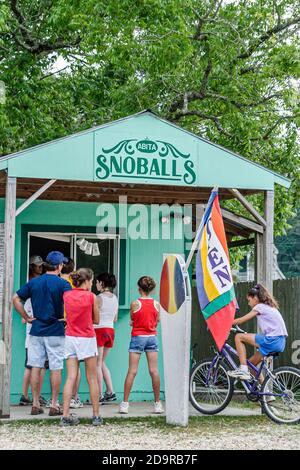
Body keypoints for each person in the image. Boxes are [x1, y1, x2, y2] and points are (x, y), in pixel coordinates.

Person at [13, 251, 72, 416]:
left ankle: (35, 403)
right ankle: (54, 405)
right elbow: (71, 304)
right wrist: (68, 320)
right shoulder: (63, 284)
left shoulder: (34, 282)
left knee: (36, 367)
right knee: (56, 368)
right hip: (56, 330)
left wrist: (26, 317)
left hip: (36, 330)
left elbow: (15, 299)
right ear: (59, 266)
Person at [61, 268, 102, 426]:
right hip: (87, 338)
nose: (92, 284)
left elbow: (66, 317)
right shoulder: (91, 297)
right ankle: (96, 416)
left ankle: (65, 416)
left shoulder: (66, 295)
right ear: (87, 281)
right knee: (91, 377)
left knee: (71, 377)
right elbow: (96, 320)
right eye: (91, 281)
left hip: (70, 337)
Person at [119, 276, 163, 415]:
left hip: (138, 337)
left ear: (139, 288)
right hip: (151, 337)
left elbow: (133, 319)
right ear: (152, 289)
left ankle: (125, 404)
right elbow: (157, 321)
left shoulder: (135, 304)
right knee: (154, 371)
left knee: (132, 371)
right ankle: (157, 404)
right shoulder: (157, 304)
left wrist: (135, 323)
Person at [227, 283, 288, 381]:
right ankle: (266, 393)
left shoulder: (260, 306)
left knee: (238, 337)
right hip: (280, 342)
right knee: (250, 365)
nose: (248, 303)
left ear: (255, 297)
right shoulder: (270, 307)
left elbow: (241, 320)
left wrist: (224, 324)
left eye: (249, 300)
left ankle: (243, 370)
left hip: (272, 340)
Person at [19, 255, 48, 407]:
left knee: (30, 367)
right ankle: (29, 396)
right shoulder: (31, 297)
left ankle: (27, 396)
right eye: (37, 265)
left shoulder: (31, 296)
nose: (40, 267)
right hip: (34, 336)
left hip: (32, 337)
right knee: (35, 367)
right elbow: (24, 319)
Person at [60, 258, 83, 410]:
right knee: (75, 365)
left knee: (56, 365)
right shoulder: (74, 284)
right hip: (74, 326)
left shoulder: (57, 282)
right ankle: (74, 397)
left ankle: (55, 399)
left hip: (57, 323)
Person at [95, 272, 118, 403]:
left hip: (99, 330)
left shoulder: (99, 298)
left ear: (102, 283)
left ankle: (98, 395)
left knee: (97, 364)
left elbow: (95, 317)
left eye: (97, 282)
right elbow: (114, 318)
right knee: (102, 362)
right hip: (110, 330)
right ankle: (110, 391)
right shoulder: (114, 298)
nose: (96, 285)